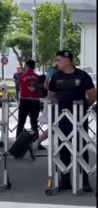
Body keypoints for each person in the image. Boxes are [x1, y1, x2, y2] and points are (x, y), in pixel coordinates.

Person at [48, 50, 96, 192]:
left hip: (80, 117)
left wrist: (84, 106)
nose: (57, 63)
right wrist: (61, 107)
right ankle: (65, 180)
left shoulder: (82, 76)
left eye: (59, 60)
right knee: (63, 147)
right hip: (62, 118)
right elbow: (51, 96)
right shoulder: (56, 77)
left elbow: (92, 95)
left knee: (82, 147)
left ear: (68, 60)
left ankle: (85, 180)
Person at [16, 59, 40, 138]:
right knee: (34, 122)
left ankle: (18, 140)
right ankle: (36, 141)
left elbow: (20, 87)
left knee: (21, 122)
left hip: (24, 100)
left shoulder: (22, 76)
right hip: (35, 101)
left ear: (27, 66)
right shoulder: (37, 77)